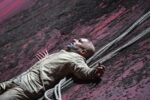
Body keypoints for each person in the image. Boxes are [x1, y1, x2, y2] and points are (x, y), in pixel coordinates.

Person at [0, 38, 105, 100]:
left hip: (27, 87)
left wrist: (94, 71)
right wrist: (47, 59)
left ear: (83, 51)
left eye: (79, 41)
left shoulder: (76, 59)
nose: (74, 40)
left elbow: (84, 72)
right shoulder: (65, 54)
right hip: (17, 80)